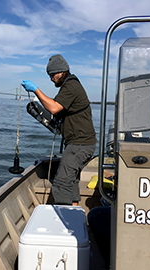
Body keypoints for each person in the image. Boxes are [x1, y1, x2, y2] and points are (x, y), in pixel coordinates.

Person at [22, 54, 97, 206]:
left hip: (80, 144)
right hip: (81, 143)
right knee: (72, 180)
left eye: (51, 75)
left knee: (61, 184)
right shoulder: (69, 86)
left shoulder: (71, 86)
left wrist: (36, 90)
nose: (51, 79)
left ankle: (66, 225)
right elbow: (55, 104)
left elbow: (54, 107)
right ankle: (75, 213)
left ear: (61, 72)